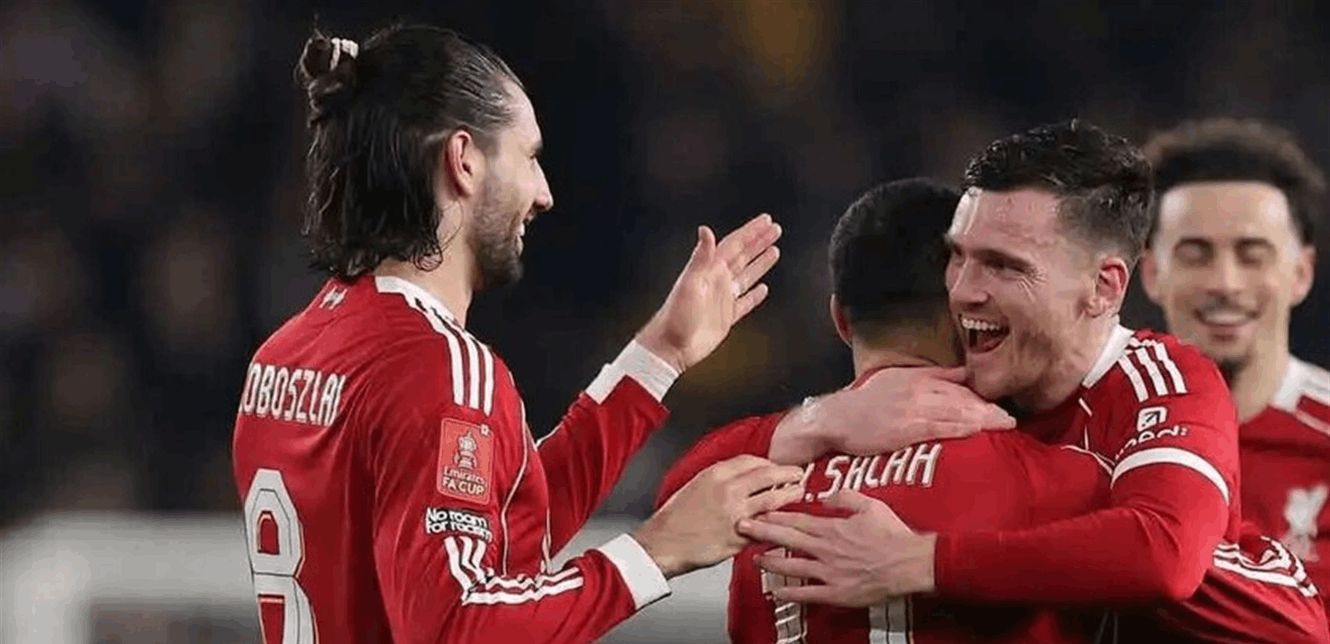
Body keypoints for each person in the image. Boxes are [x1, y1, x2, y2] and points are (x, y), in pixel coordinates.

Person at [230, 25, 808, 644]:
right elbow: (459, 625)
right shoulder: (440, 369)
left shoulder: (285, 354)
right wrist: (655, 551)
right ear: (464, 160)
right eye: (529, 157)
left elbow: (504, 527)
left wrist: (659, 354)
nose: (544, 194)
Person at [740, 120, 1327, 642]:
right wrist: (813, 421)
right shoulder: (960, 379)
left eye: (1003, 266)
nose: (962, 291)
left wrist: (923, 561)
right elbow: (695, 481)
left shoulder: (1158, 382)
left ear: (1103, 287)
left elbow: (1167, 556)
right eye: (958, 257)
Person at [656, 178, 1113, 642]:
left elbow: (666, 515)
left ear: (840, 319)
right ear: (971, 311)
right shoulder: (1055, 478)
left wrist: (809, 422)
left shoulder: (749, 497)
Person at [1140, 118, 1330, 615]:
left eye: (1252, 255)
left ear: (1301, 273)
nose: (1225, 283)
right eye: (1195, 255)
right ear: (1152, 273)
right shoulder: (1098, 436)